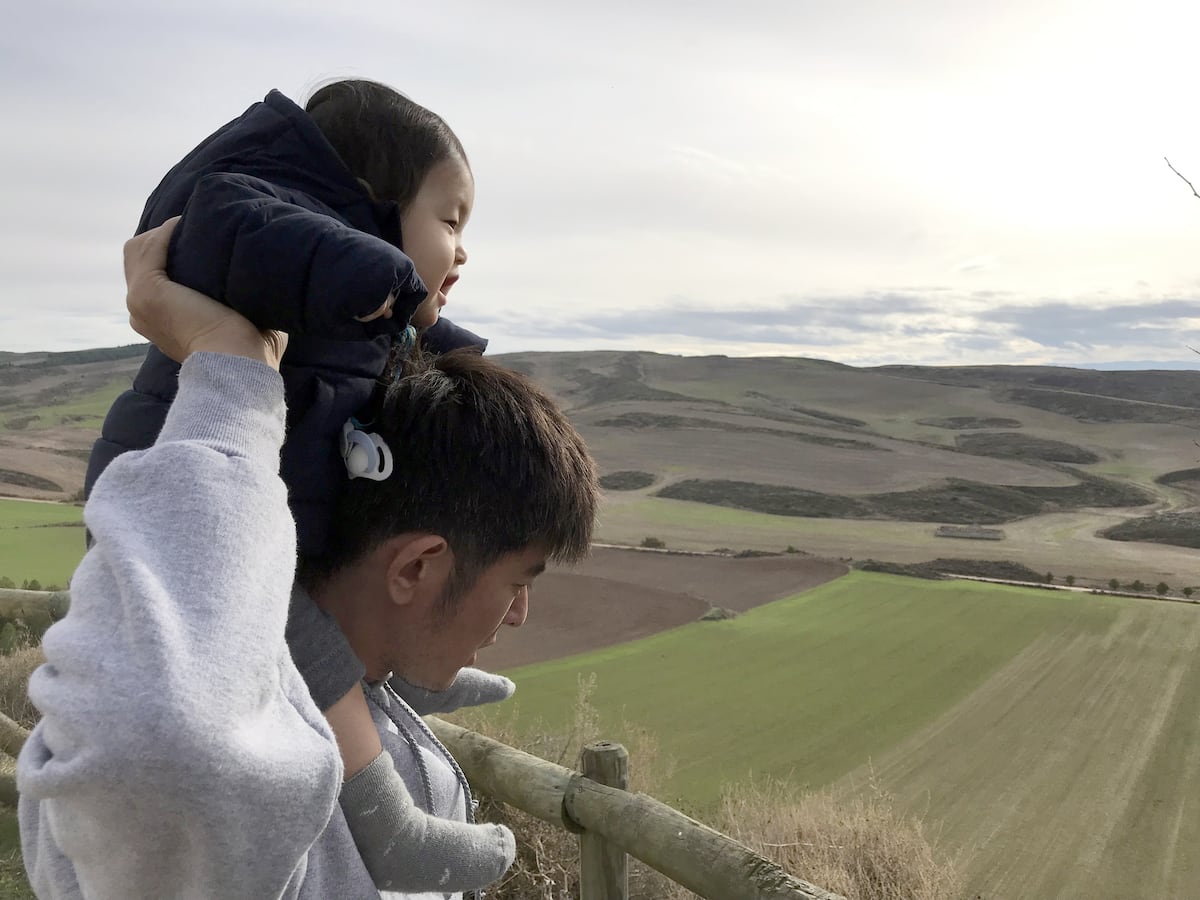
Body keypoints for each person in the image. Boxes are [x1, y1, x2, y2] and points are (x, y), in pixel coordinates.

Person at [17, 222, 600, 899]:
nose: (522, 615)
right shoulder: (242, 780)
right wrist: (232, 378)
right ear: (415, 567)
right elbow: (162, 755)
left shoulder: (347, 703)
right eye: (518, 582)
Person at [83, 80, 515, 892]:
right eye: (450, 220)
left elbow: (393, 352)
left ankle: (413, 665)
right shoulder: (251, 216)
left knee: (324, 610)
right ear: (376, 203)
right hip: (195, 513)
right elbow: (217, 233)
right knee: (298, 633)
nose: (462, 251)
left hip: (256, 507)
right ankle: (389, 825)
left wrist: (453, 350)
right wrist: (379, 277)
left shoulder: (335, 300)